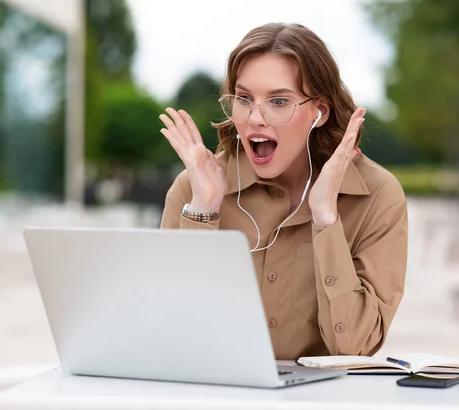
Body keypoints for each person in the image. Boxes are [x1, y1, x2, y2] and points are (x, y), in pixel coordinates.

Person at [158, 23, 408, 360]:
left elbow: (356, 348)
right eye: (244, 99)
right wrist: (204, 212)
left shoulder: (378, 196)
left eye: (278, 101)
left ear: (319, 111)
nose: (255, 118)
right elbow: (171, 334)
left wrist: (325, 220)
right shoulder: (193, 189)